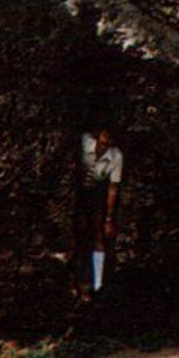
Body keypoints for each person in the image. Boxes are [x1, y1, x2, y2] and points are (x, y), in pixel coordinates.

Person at [74, 127, 123, 300]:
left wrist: (109, 216)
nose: (107, 142)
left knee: (98, 237)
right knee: (78, 236)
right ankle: (76, 281)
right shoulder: (85, 142)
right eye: (105, 136)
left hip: (96, 196)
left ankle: (97, 283)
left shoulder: (115, 156)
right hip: (76, 193)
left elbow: (113, 187)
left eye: (110, 139)